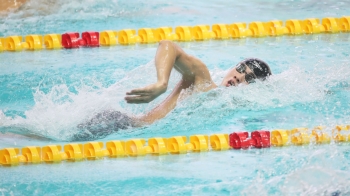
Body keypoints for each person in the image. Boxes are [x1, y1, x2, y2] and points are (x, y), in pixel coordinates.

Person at [75, 40, 272, 140]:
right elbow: (168, 45)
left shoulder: (231, 109)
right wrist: (162, 83)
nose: (239, 76)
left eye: (249, 78)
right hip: (119, 124)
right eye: (240, 69)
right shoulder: (202, 79)